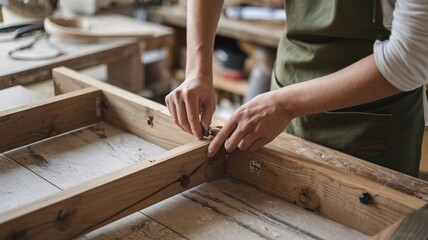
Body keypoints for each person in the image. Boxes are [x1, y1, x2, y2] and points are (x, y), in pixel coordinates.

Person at [165, 0, 428, 177]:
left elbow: (412, 56)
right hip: (288, 82)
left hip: (373, 116)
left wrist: (284, 105)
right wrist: (197, 70)